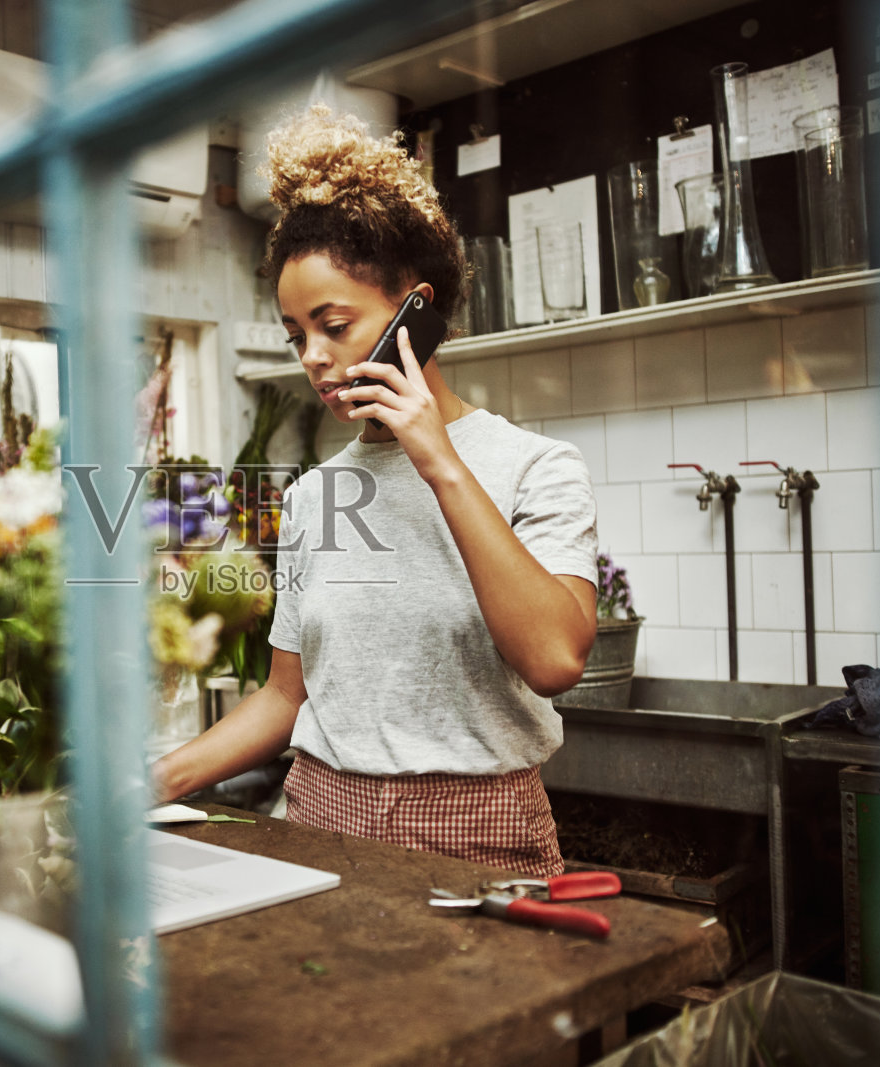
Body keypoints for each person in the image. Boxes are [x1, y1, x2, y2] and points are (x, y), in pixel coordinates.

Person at [152, 106, 598, 878]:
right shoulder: (314, 497)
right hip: (321, 824)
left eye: (334, 324)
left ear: (414, 311)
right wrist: (151, 781)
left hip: (480, 836)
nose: (314, 359)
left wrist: (439, 461)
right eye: (298, 336)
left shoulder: (535, 467)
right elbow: (285, 696)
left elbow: (556, 657)